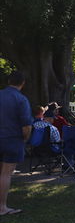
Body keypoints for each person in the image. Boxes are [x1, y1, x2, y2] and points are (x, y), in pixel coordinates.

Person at [0, 71, 33, 215]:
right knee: (6, 174)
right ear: (23, 83)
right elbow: (26, 125)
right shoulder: (21, 99)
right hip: (12, 139)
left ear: (8, 81)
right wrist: (25, 138)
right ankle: (2, 207)